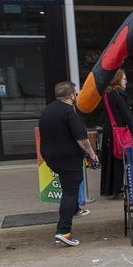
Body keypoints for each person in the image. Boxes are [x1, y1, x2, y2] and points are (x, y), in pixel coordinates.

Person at [37, 81, 98, 247]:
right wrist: (93, 155)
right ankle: (63, 231)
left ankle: (76, 209)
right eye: (76, 94)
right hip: (68, 157)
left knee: (69, 183)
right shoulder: (69, 112)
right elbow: (81, 139)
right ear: (72, 95)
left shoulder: (47, 110)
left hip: (51, 156)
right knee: (69, 192)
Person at [100, 68, 133, 197]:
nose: (126, 81)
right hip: (119, 131)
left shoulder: (106, 94)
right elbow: (126, 115)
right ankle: (118, 187)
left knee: (110, 159)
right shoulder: (119, 95)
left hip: (108, 130)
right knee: (119, 159)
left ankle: (110, 188)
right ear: (118, 79)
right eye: (124, 78)